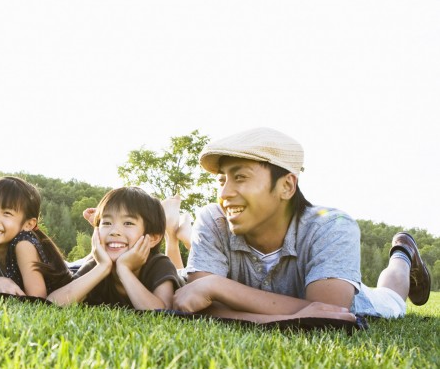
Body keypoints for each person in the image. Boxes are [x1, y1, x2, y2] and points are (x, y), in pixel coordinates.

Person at [174, 127, 432, 323]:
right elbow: (198, 303)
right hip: (297, 303)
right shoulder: (212, 218)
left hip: (359, 301)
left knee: (393, 299)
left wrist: (217, 287)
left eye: (240, 177)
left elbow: (328, 314)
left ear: (286, 186)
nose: (225, 193)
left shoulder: (332, 225)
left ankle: (403, 253)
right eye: (221, 181)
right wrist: (290, 316)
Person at [47, 187, 184, 310]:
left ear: (153, 238)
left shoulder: (159, 265)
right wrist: (102, 267)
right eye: (106, 223)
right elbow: (51, 304)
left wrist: (124, 269)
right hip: (95, 262)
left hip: (183, 278)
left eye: (128, 223)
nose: (114, 231)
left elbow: (164, 313)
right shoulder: (98, 264)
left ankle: (172, 230)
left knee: (183, 273)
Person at [0, 176, 73, 299]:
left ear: (28, 224)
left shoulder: (23, 244)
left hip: (73, 291)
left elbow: (37, 300)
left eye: (7, 213)